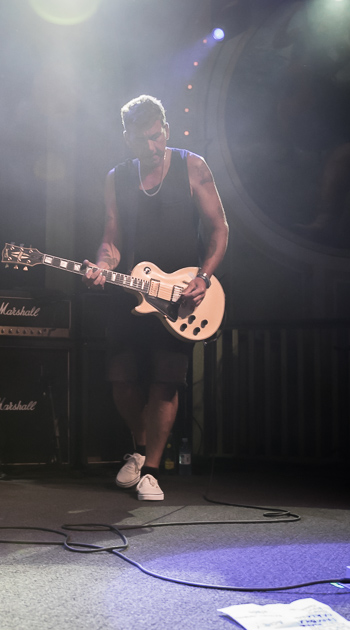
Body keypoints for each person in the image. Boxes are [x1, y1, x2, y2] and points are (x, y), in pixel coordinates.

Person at [85, 95, 229, 501]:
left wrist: (204, 276)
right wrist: (102, 263)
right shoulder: (117, 177)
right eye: (141, 139)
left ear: (166, 129)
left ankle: (150, 470)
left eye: (156, 136)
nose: (151, 147)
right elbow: (111, 238)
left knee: (165, 383)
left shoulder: (192, 166)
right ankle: (141, 445)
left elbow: (219, 229)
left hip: (180, 296)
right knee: (121, 382)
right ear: (126, 137)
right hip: (130, 293)